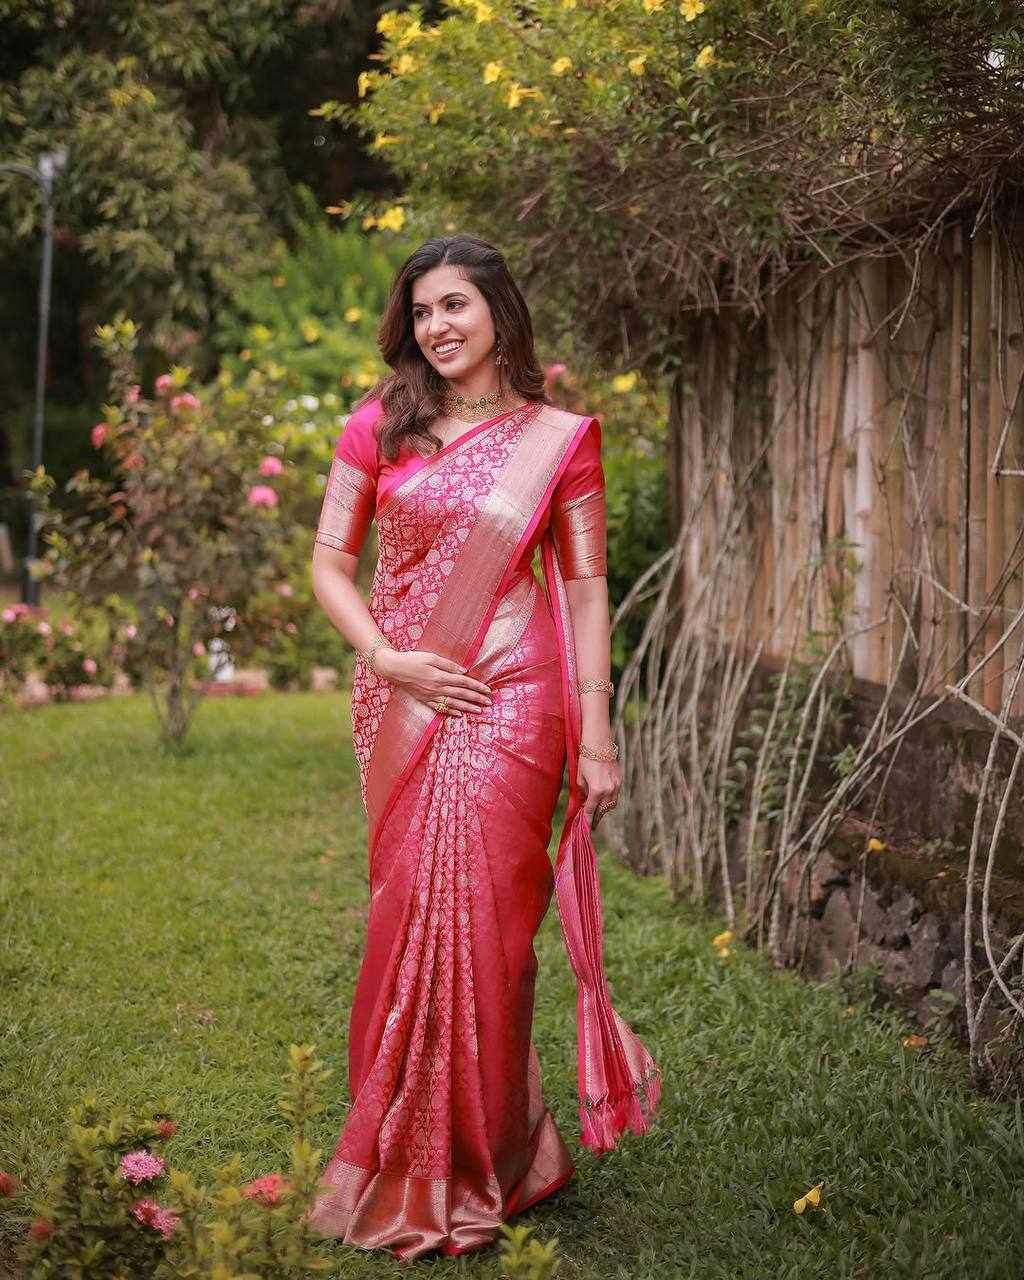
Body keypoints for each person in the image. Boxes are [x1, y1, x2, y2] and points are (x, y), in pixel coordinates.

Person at [306, 233, 661, 1261]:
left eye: (454, 304)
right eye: (421, 311)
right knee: (406, 912)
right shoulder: (379, 425)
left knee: (495, 934)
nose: (436, 326)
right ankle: (404, 1154)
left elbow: (584, 590)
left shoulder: (561, 440)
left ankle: (488, 1158)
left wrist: (598, 730)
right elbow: (328, 565)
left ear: (500, 311)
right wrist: (389, 658)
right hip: (403, 691)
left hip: (518, 696)